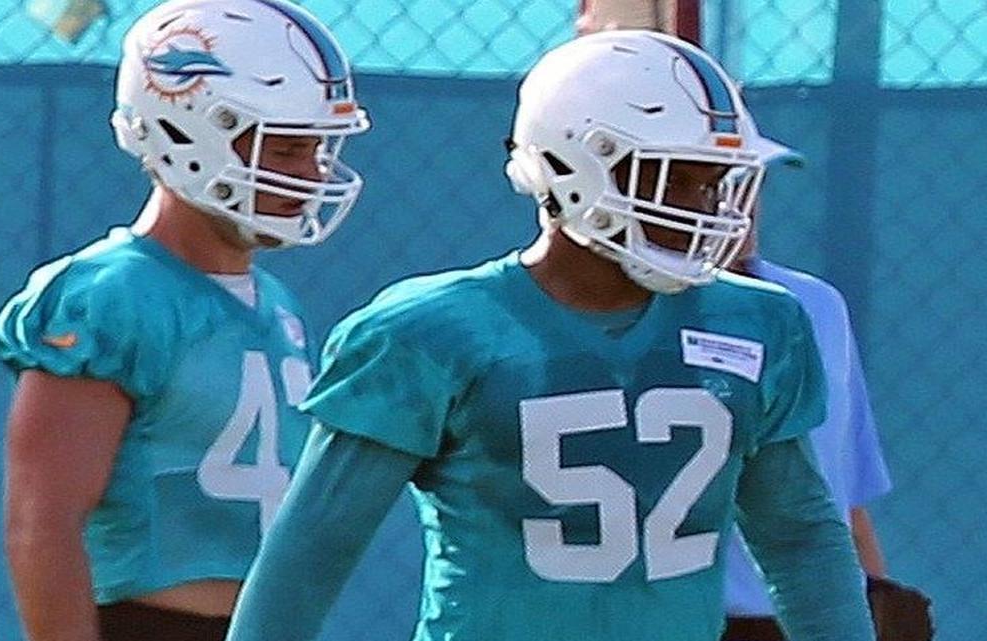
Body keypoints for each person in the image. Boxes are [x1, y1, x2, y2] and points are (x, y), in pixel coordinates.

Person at [227, 30, 875, 641]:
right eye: (671, 177)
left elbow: (799, 538)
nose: (698, 208)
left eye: (709, 183)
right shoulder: (430, 333)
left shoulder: (760, 321)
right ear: (572, 164)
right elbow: (311, 552)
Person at [0, 1, 370, 640]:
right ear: (188, 130)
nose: (311, 174)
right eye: (284, 147)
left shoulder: (276, 303)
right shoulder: (110, 295)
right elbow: (43, 520)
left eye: (317, 148)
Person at [721, 203, 893, 641]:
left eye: (751, 179)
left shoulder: (816, 305)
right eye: (703, 178)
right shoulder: (604, 323)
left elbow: (842, 500)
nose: (738, 204)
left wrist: (880, 601)